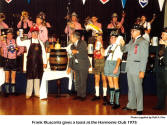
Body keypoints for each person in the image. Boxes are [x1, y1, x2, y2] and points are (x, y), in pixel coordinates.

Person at [120, 24, 149, 115]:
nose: (131, 32)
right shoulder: (132, 41)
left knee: (138, 89)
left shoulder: (143, 42)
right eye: (131, 31)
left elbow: (144, 57)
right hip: (130, 68)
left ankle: (139, 108)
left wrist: (142, 71)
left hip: (137, 69)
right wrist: (122, 44)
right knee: (131, 88)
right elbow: (124, 50)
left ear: (138, 32)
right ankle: (131, 105)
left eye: (133, 31)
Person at [17, 26, 47, 99]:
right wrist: (19, 35)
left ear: (38, 33)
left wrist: (45, 63)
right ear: (31, 33)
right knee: (30, 78)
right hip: (30, 63)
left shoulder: (41, 42)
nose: (35, 34)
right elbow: (19, 42)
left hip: (39, 63)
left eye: (36, 32)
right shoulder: (28, 41)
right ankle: (28, 93)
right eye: (33, 32)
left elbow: (44, 53)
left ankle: (37, 92)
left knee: (37, 77)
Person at [101, 30, 123, 109]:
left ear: (116, 38)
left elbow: (119, 58)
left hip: (114, 64)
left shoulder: (119, 46)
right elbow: (104, 54)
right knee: (110, 82)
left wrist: (117, 67)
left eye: (114, 38)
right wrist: (100, 45)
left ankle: (117, 103)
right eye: (111, 38)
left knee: (115, 83)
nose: (112, 39)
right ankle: (111, 101)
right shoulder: (110, 46)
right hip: (108, 63)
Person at [67, 32, 90, 101]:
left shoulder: (83, 43)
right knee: (77, 81)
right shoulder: (72, 46)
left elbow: (85, 53)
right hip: (76, 65)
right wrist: (69, 67)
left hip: (83, 64)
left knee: (83, 81)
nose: (70, 38)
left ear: (75, 37)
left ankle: (83, 96)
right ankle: (78, 94)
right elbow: (71, 57)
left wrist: (77, 52)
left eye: (71, 37)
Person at [0, 29, 24, 97]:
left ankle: (13, 91)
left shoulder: (15, 41)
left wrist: (18, 53)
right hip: (7, 60)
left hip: (14, 60)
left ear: (12, 35)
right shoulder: (3, 41)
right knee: (7, 77)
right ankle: (7, 92)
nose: (9, 35)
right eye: (8, 34)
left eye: (10, 34)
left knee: (13, 76)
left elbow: (21, 48)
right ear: (6, 35)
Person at [153, 27, 167, 110]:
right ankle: (160, 105)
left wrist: (165, 47)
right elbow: (158, 55)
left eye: (163, 34)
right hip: (160, 69)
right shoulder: (160, 44)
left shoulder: (164, 45)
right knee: (160, 87)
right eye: (162, 34)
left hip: (166, 69)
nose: (161, 36)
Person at [91, 35, 108, 104]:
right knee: (96, 79)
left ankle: (105, 95)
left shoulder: (105, 43)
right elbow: (91, 54)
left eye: (100, 37)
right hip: (96, 61)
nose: (98, 38)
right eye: (97, 37)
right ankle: (97, 95)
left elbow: (105, 54)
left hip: (103, 61)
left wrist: (101, 46)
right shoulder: (93, 44)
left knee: (104, 79)